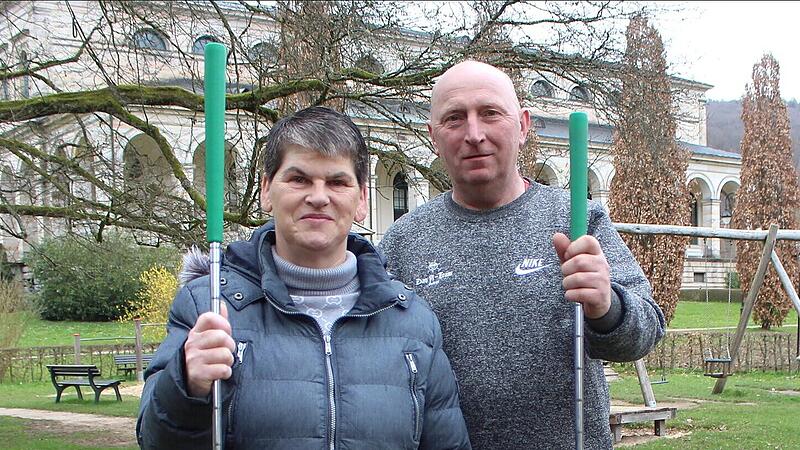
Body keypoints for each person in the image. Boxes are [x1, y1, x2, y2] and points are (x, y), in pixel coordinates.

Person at [137, 106, 471, 449]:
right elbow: (155, 440)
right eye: (299, 179)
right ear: (267, 190)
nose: (318, 197)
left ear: (362, 200)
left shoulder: (412, 322)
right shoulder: (208, 307)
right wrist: (186, 384)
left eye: (337, 182)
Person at [379, 60, 666, 449]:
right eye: (455, 119)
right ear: (433, 135)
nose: (474, 134)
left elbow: (646, 331)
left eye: (490, 113)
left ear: (523, 126)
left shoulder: (578, 220)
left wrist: (607, 307)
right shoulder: (402, 242)